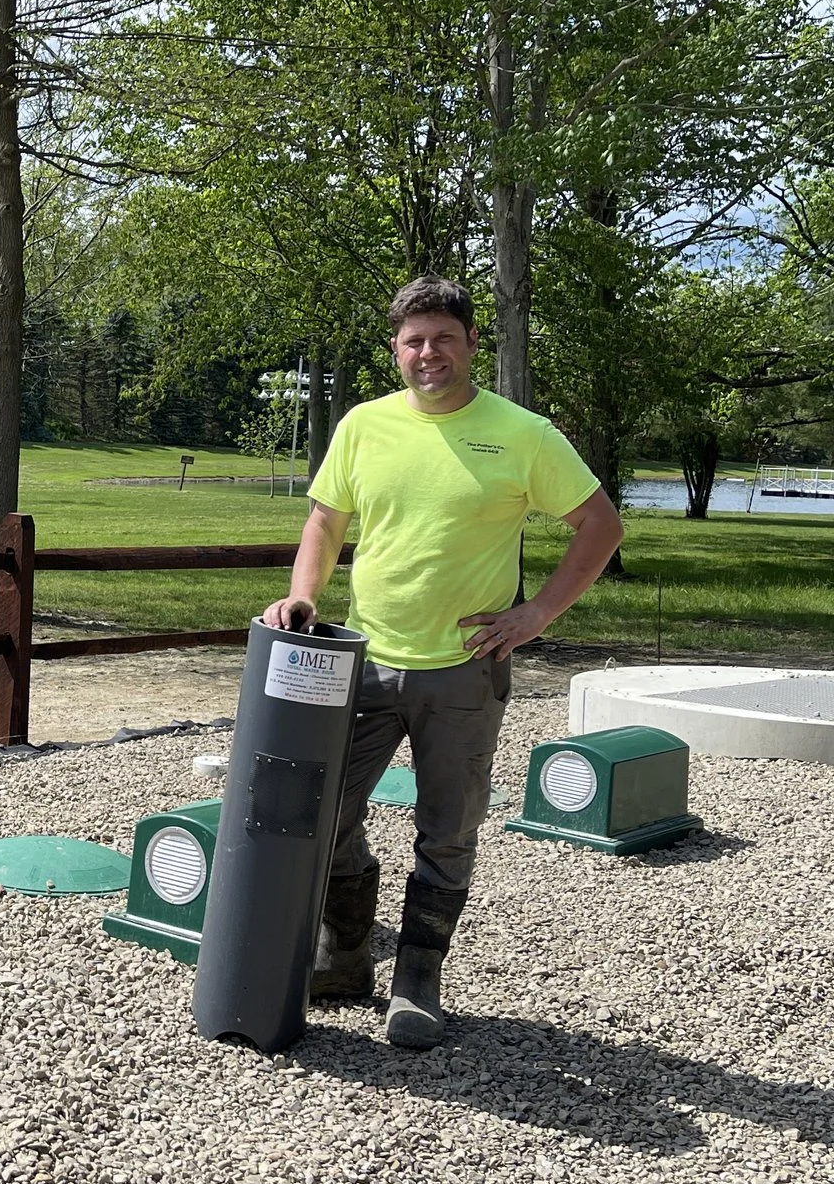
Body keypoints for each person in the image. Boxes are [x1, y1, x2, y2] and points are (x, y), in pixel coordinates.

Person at [261, 276, 623, 1049]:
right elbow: (324, 522)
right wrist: (301, 595)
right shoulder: (364, 426)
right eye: (414, 340)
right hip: (360, 661)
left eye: (443, 338)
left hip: (464, 668)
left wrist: (538, 613)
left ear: (470, 345)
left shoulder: (522, 433)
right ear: (395, 350)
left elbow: (599, 524)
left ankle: (417, 981)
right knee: (323, 814)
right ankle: (347, 954)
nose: (429, 353)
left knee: (447, 829)